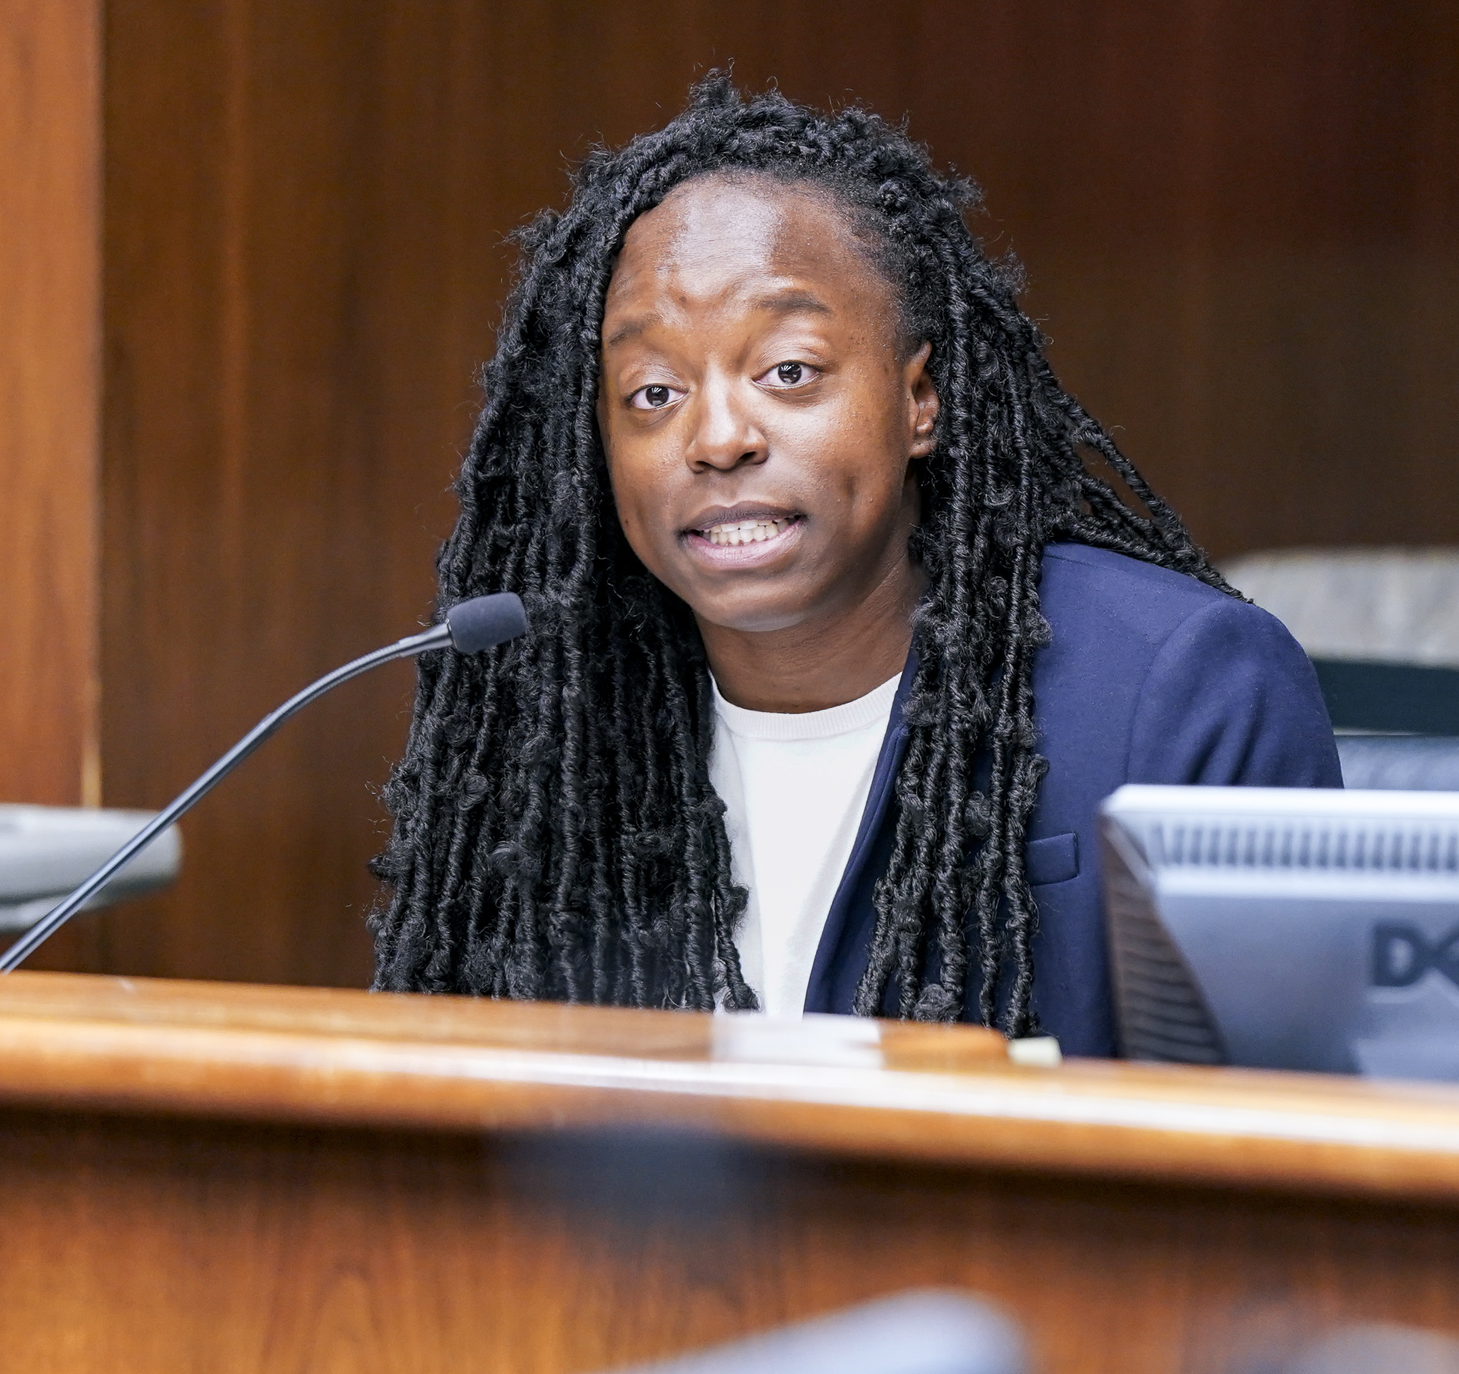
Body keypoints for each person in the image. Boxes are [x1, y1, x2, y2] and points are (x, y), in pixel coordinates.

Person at [372, 76, 1339, 1056]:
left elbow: (1283, 1156)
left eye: (788, 371)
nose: (717, 438)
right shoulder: (559, 718)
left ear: (921, 399)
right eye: (653, 391)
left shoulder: (1177, 687)